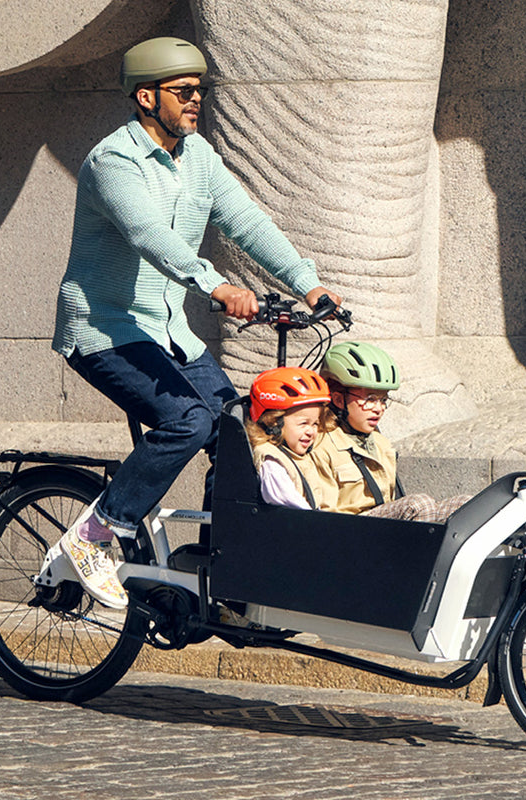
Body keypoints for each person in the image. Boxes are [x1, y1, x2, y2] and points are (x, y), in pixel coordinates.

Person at [51, 36, 341, 609]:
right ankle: (96, 532)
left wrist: (307, 283)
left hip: (170, 335)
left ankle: (224, 570)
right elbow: (148, 237)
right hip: (104, 330)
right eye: (183, 92)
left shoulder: (199, 157)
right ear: (145, 96)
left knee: (237, 433)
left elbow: (247, 222)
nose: (195, 100)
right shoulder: (114, 161)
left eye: (200, 92)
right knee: (185, 421)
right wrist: (216, 284)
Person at [312, 341, 469, 523]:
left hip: (386, 522)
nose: (379, 409)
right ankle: (417, 552)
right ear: (339, 400)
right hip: (353, 529)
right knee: (420, 505)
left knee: (468, 505)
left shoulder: (379, 442)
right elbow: (325, 517)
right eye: (370, 399)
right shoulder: (322, 446)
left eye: (383, 400)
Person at [246, 367, 337, 511]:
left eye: (315, 424)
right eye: (303, 423)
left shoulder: (298, 453)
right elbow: (292, 504)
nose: (311, 431)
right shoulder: (272, 462)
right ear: (274, 422)